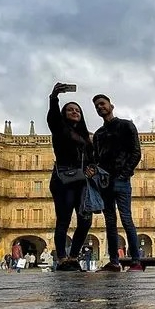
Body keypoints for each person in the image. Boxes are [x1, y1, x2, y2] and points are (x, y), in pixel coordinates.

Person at [91, 93, 143, 272]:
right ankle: (114, 261)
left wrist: (124, 174)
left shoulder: (126, 125)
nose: (100, 107)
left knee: (126, 219)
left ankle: (136, 261)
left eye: (102, 104)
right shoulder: (98, 134)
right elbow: (97, 158)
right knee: (110, 222)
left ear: (111, 106)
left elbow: (136, 152)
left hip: (121, 181)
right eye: (97, 106)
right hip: (105, 182)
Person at [46, 83, 95, 272]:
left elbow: (92, 159)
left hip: (82, 181)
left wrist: (92, 169)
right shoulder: (60, 129)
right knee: (64, 219)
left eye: (77, 110)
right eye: (70, 110)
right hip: (63, 179)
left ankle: (73, 256)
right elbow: (53, 117)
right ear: (64, 114)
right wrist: (54, 97)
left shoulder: (85, 137)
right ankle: (62, 258)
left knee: (85, 220)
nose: (74, 112)